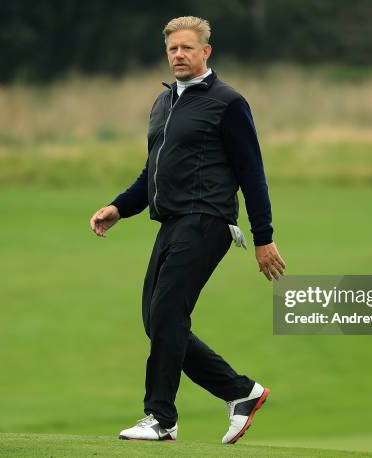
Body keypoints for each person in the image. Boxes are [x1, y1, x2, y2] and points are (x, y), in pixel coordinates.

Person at [89, 16, 286, 445]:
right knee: (157, 320)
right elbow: (152, 171)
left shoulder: (228, 102)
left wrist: (264, 236)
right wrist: (119, 208)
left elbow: (252, 173)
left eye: (187, 48)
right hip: (172, 222)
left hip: (207, 220)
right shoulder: (164, 104)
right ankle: (240, 392)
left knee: (165, 316)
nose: (179, 55)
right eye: (173, 49)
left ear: (205, 52)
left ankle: (160, 418)